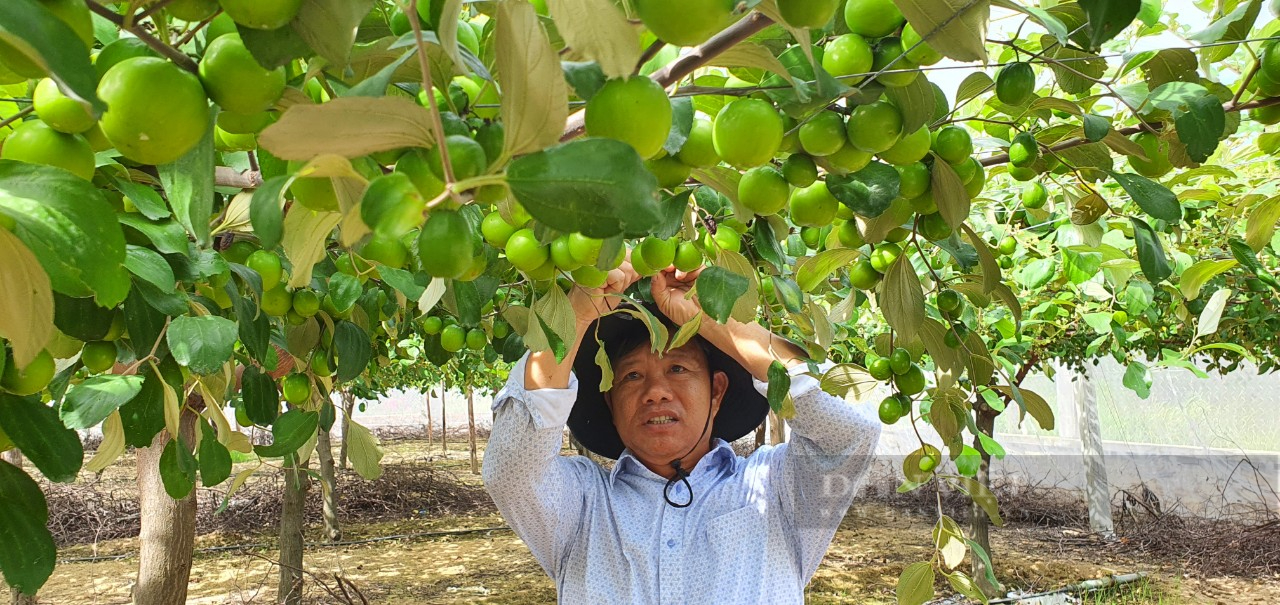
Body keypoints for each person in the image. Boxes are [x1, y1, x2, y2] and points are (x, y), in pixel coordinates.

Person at [482, 259, 882, 604]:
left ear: (717, 391)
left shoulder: (776, 489)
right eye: (633, 375)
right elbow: (511, 469)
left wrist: (713, 320)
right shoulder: (582, 506)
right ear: (610, 403)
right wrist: (577, 313)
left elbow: (850, 431)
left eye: (678, 369)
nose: (655, 392)